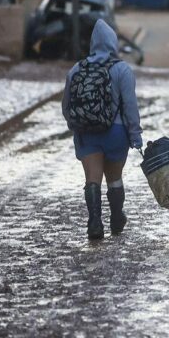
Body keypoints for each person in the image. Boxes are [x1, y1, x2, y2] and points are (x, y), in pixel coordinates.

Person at [62, 19, 143, 240]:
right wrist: (135, 136)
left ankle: (95, 222)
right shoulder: (122, 70)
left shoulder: (77, 69)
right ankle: (117, 216)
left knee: (92, 178)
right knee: (114, 177)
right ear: (113, 43)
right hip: (116, 133)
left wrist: (75, 125)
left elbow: (66, 105)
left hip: (87, 134)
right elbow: (130, 107)